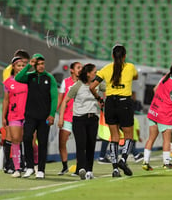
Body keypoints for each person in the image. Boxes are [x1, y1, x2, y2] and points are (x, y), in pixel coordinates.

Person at [89, 44, 138, 177]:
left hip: (110, 103)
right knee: (129, 135)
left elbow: (92, 86)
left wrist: (99, 99)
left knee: (114, 137)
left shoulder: (106, 69)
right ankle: (123, 160)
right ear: (125, 56)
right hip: (124, 103)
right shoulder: (130, 67)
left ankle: (115, 168)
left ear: (112, 56)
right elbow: (135, 77)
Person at [15, 53, 58, 179]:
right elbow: (18, 78)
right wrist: (28, 65)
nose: (41, 66)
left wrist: (51, 114)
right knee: (27, 138)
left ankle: (41, 170)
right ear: (34, 64)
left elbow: (54, 97)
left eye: (42, 63)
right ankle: (29, 167)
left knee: (43, 142)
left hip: (44, 116)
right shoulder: (30, 76)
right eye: (38, 64)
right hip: (30, 115)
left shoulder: (49, 78)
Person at [59, 63, 102, 180]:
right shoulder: (78, 85)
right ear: (88, 74)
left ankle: (89, 171)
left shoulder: (97, 84)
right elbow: (65, 101)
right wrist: (61, 117)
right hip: (79, 119)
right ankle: (81, 168)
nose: (96, 74)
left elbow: (108, 91)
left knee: (91, 145)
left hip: (93, 118)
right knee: (81, 144)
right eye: (94, 72)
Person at [2, 50, 30, 174]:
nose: (22, 66)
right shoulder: (8, 76)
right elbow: (6, 98)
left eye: (24, 64)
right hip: (13, 111)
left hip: (26, 112)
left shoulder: (28, 78)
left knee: (24, 138)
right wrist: (4, 116)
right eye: (19, 64)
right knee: (12, 138)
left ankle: (23, 163)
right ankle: (10, 164)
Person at [56, 61, 82, 175]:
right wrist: (54, 113)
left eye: (81, 67)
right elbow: (60, 99)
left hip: (79, 117)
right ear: (71, 70)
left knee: (80, 144)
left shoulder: (84, 83)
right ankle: (65, 166)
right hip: (67, 117)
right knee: (62, 143)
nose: (80, 69)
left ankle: (78, 168)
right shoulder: (65, 82)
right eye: (78, 67)